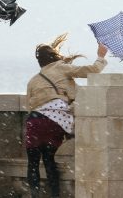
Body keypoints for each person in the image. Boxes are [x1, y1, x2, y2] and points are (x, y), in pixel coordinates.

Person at [25, 33, 108, 198]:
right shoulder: (61, 67)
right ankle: (55, 194)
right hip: (54, 121)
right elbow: (92, 70)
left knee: (33, 164)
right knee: (49, 161)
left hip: (34, 121)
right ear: (55, 57)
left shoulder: (33, 80)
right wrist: (100, 56)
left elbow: (29, 105)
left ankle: (35, 194)